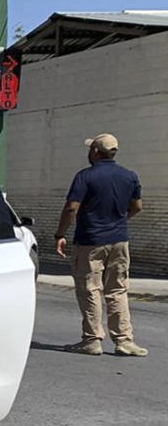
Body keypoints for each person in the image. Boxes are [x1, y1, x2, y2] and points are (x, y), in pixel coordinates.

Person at [54, 133, 147, 356]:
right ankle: (124, 340)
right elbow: (137, 206)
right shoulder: (130, 176)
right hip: (119, 241)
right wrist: (120, 222)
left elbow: (71, 208)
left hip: (90, 241)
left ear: (95, 151)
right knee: (118, 290)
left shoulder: (85, 177)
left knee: (90, 289)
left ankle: (92, 339)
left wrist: (60, 234)